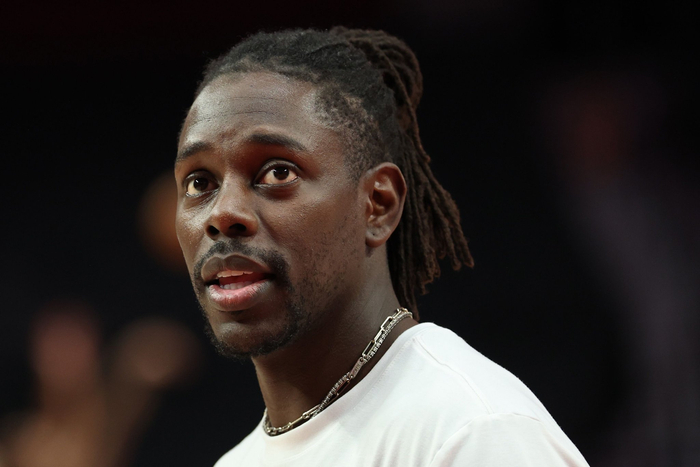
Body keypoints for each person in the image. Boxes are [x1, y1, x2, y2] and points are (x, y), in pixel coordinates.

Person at [174, 27, 589, 466]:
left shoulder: (472, 432)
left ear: (378, 205)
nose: (223, 213)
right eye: (200, 183)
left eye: (278, 173)